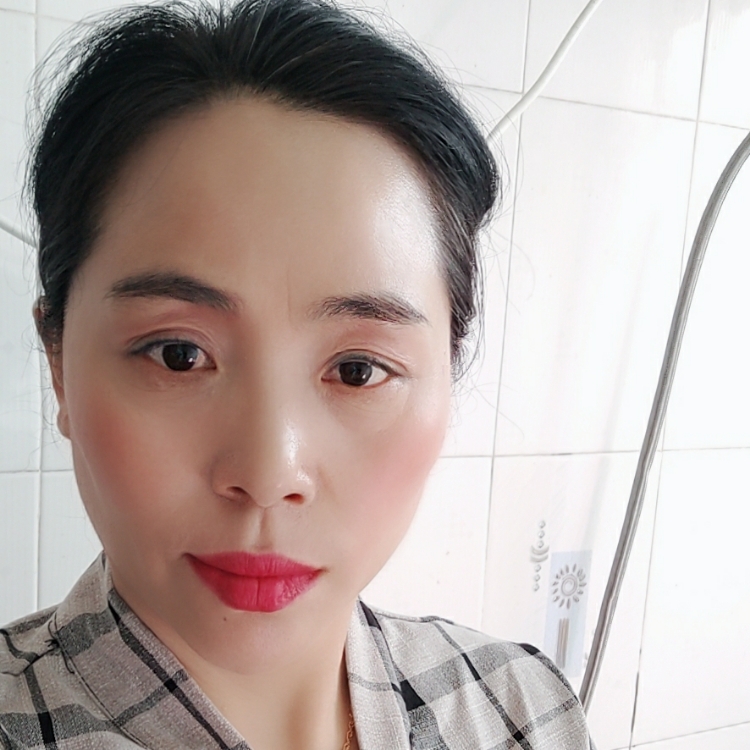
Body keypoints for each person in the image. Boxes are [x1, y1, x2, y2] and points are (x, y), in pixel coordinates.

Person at [0, 1, 593, 747]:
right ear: (58, 360)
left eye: (357, 369)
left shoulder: (519, 711)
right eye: (179, 354)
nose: (267, 473)